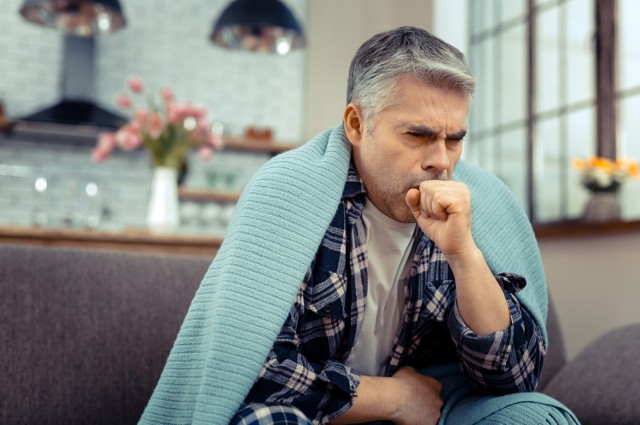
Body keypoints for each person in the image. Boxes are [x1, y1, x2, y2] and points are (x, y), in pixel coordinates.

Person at [139, 27, 578, 425]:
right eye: (418, 135)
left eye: (455, 139)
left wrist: (464, 255)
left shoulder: (477, 203)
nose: (441, 161)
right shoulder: (289, 191)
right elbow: (251, 370)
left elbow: (514, 374)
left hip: (441, 409)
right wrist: (396, 398)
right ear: (356, 123)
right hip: (317, 414)